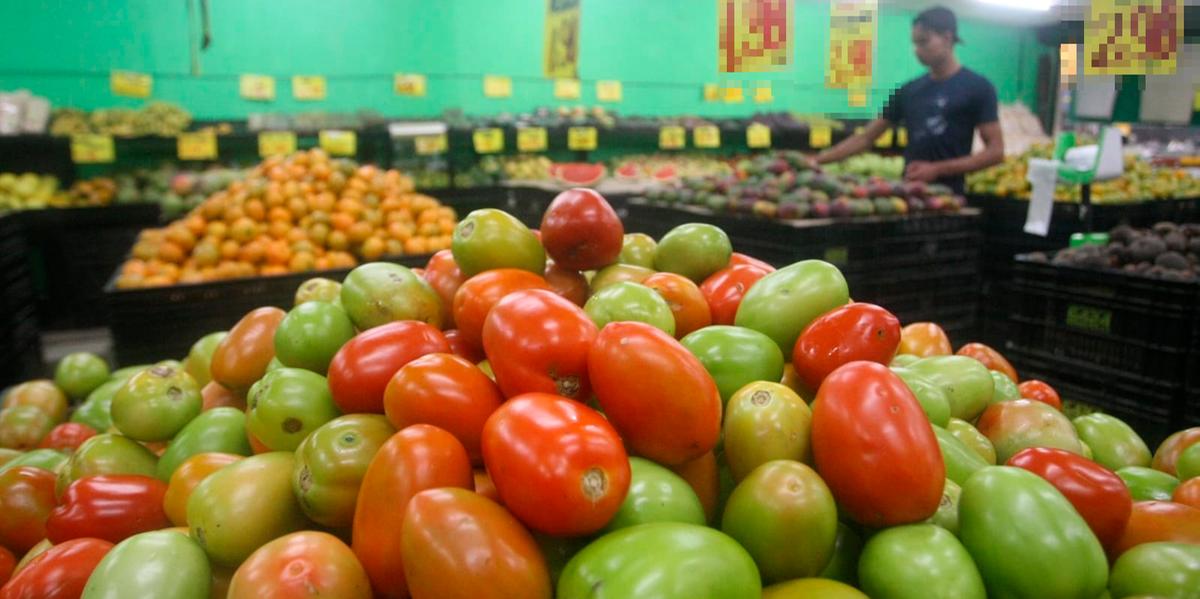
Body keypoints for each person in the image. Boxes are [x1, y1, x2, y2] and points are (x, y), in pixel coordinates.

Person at [815, 6, 1004, 194]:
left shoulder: (978, 87)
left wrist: (937, 169)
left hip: (949, 199)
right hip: (909, 196)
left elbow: (995, 152)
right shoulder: (908, 90)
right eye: (915, 44)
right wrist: (816, 161)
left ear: (947, 38)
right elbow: (866, 137)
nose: (917, 50)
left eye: (924, 42)